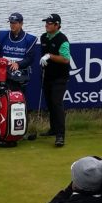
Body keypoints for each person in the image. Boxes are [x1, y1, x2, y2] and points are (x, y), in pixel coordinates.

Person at [39, 13, 70, 147]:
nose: (46, 25)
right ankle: (53, 129)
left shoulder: (62, 40)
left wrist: (49, 56)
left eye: (50, 23)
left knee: (57, 104)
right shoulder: (43, 37)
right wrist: (45, 60)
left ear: (57, 25)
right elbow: (44, 55)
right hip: (48, 76)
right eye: (46, 23)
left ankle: (60, 135)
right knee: (50, 104)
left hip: (60, 77)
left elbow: (65, 59)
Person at [0, 12, 38, 93]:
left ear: (21, 24)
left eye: (15, 23)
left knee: (18, 99)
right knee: (1, 98)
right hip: (3, 73)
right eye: (11, 22)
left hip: (20, 75)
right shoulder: (2, 36)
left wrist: (18, 64)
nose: (12, 25)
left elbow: (30, 59)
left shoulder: (29, 39)